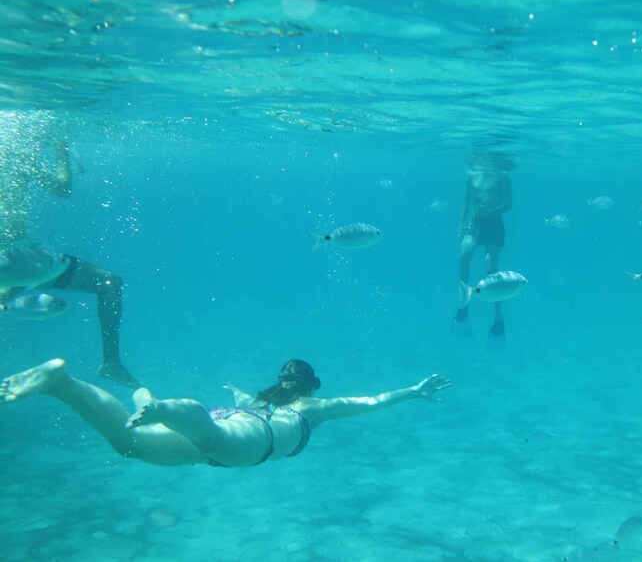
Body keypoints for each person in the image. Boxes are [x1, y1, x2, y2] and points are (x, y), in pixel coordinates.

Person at [0, 358, 452, 467]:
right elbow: (367, 403)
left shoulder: (259, 399)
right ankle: (156, 405)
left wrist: (235, 391)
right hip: (253, 442)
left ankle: (63, 384)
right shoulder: (312, 408)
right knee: (213, 438)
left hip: (229, 421)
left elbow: (238, 398)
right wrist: (413, 391)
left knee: (126, 443)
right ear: (312, 385)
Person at [0, 133, 139, 388]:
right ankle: (111, 363)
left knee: (108, 282)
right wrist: (61, 148)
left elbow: (60, 190)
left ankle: (111, 363)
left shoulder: (15, 151)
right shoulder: (14, 149)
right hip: (19, 260)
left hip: (21, 260)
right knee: (108, 282)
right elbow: (63, 188)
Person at [453, 152, 514, 350]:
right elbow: (466, 200)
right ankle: (463, 305)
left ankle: (498, 317)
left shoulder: (503, 176)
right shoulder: (472, 175)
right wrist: (461, 223)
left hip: (495, 224)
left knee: (490, 267)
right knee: (464, 254)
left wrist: (492, 210)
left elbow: (508, 204)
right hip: (475, 222)